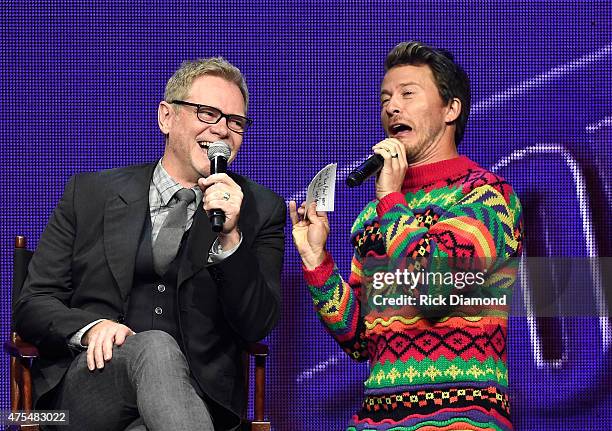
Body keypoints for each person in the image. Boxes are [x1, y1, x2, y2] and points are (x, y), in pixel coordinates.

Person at [15, 57, 285, 431]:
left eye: (235, 122)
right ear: (166, 117)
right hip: (88, 392)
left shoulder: (260, 210)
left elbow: (257, 325)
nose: (223, 130)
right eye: (207, 113)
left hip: (196, 399)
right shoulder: (90, 194)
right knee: (154, 345)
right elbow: (32, 304)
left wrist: (230, 237)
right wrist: (91, 327)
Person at [290, 41, 523, 431]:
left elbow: (434, 290)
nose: (392, 107)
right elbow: (361, 339)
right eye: (386, 98)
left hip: (461, 418)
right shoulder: (373, 216)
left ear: (451, 109)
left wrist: (391, 200)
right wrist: (317, 261)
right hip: (375, 419)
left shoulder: (486, 195)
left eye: (408, 94)